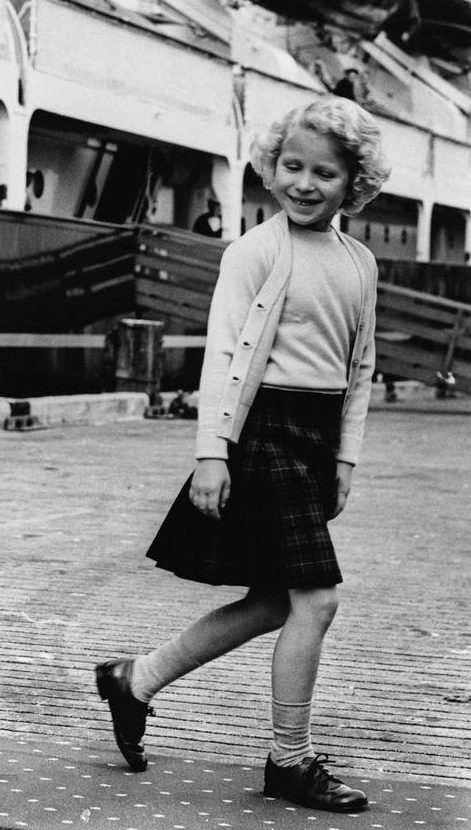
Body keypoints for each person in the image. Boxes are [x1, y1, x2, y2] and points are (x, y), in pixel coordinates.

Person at [95, 96, 391, 814]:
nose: (304, 183)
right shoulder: (255, 252)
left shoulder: (359, 261)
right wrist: (211, 453)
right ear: (270, 166)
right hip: (262, 434)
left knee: (270, 603)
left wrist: (346, 460)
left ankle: (134, 680)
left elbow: (359, 369)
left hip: (317, 440)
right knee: (315, 601)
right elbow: (225, 357)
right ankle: (289, 760)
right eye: (292, 166)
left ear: (355, 181)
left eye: (324, 172)